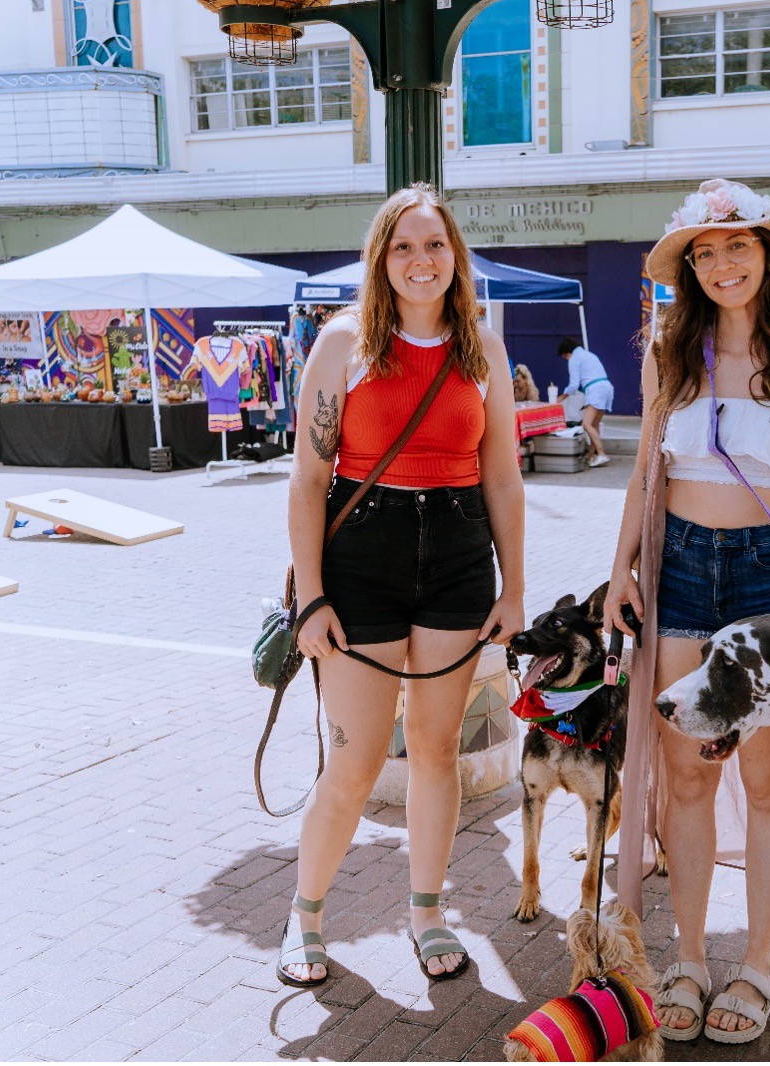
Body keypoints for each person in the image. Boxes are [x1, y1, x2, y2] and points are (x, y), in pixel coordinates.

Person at [606, 178, 770, 1044]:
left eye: (739, 247)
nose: (722, 264)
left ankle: (755, 962)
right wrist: (621, 572)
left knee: (764, 778)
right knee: (686, 772)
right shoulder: (667, 356)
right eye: (705, 253)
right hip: (679, 565)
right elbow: (647, 473)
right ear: (689, 268)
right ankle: (688, 956)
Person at [279, 183, 525, 988]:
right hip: (363, 562)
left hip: (458, 553)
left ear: (456, 257)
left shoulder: (479, 347)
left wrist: (512, 589)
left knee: (435, 748)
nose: (421, 260)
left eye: (435, 245)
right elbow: (309, 479)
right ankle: (306, 915)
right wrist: (311, 596)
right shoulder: (342, 341)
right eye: (403, 246)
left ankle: (427, 912)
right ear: (380, 259)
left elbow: (503, 477)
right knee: (351, 764)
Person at [556, 337, 612, 468]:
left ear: (566, 353)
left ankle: (601, 454)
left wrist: (562, 397)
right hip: (607, 388)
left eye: (565, 357)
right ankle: (591, 455)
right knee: (594, 424)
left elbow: (574, 384)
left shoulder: (574, 358)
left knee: (586, 424)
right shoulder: (589, 355)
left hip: (595, 390)